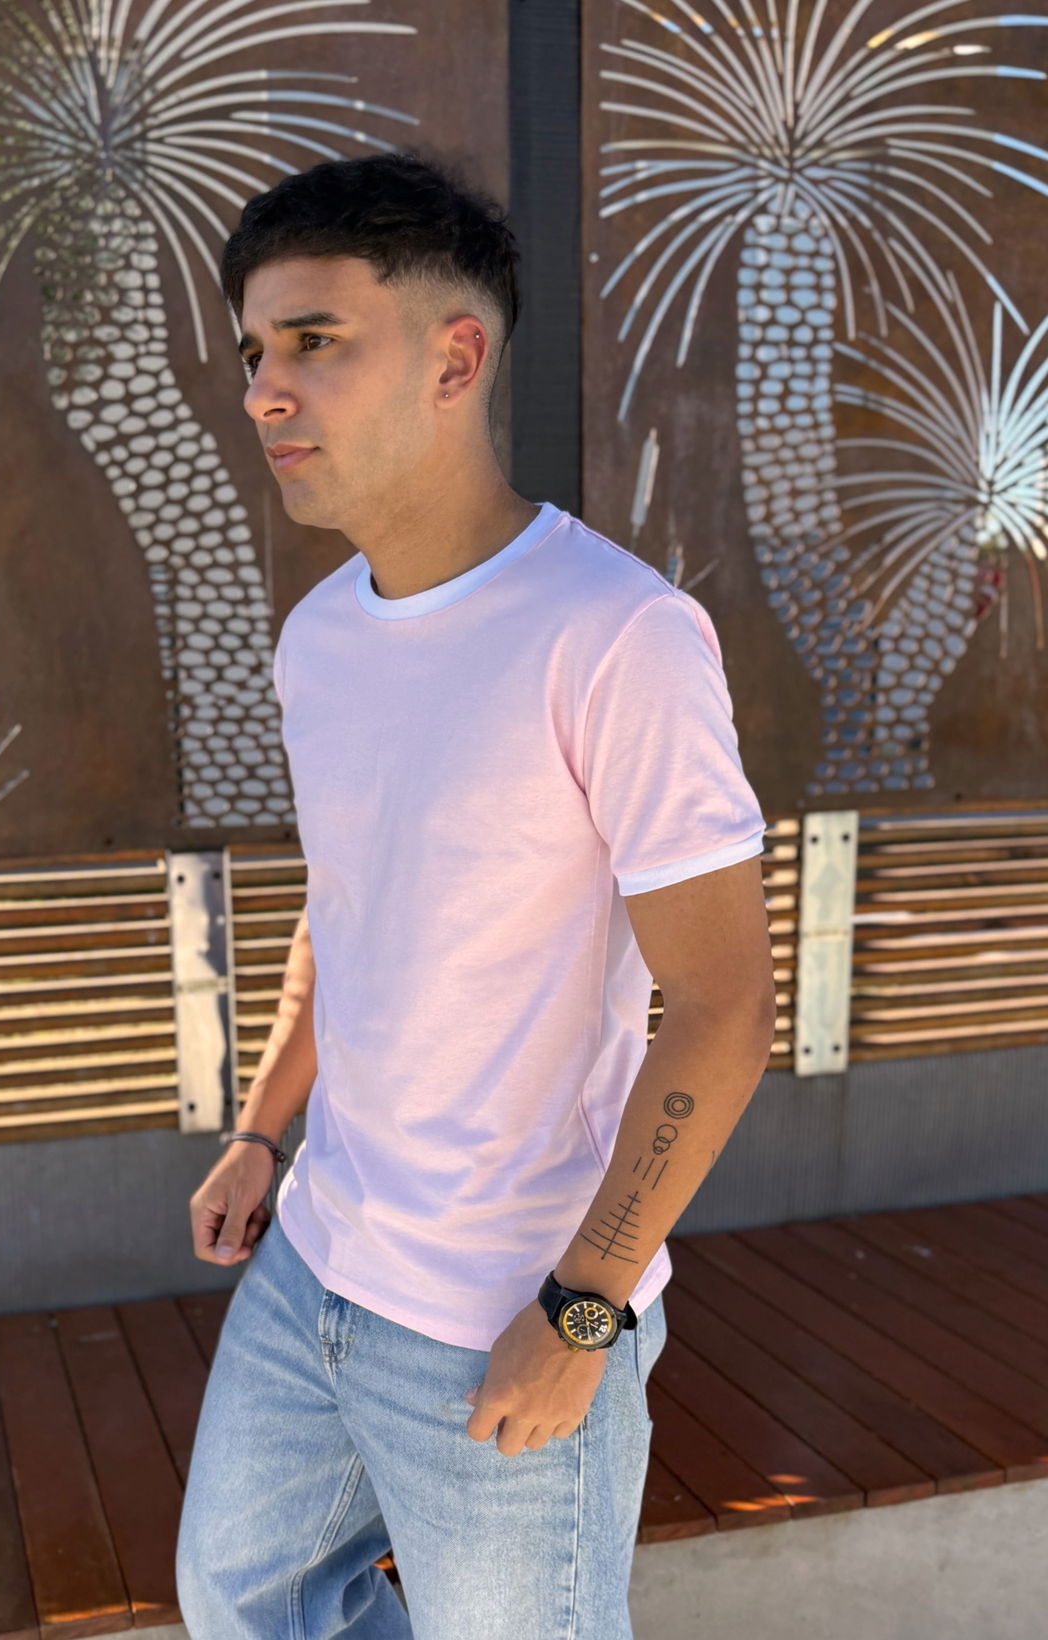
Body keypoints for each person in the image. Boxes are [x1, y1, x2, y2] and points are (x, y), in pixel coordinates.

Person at [175, 146, 777, 1640]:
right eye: (253, 352)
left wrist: (584, 1308)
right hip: (316, 1260)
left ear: (455, 359)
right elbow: (349, 907)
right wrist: (262, 1128)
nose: (264, 391)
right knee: (244, 1603)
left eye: (314, 342)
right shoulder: (322, 636)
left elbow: (720, 1006)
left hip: (506, 1308)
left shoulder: (617, 636)